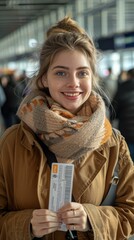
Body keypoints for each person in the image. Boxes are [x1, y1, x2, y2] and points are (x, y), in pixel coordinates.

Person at [0, 17, 134, 240]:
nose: (74, 83)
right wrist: (27, 225)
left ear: (92, 77)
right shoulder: (14, 142)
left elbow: (130, 213)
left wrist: (92, 219)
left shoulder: (113, 143)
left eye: (82, 72)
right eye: (61, 72)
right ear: (44, 79)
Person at [111, 68, 134, 160]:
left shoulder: (122, 88)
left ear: (128, 76)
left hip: (127, 131)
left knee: (128, 160)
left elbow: (113, 111)